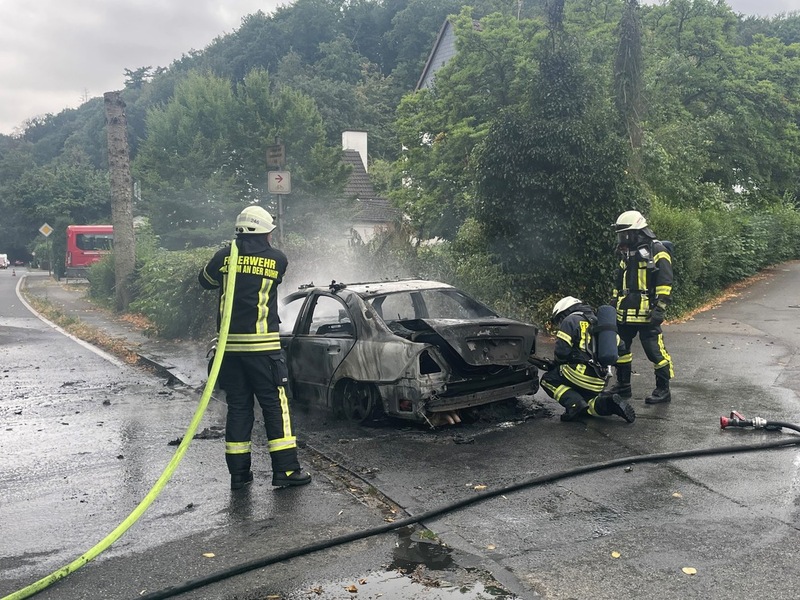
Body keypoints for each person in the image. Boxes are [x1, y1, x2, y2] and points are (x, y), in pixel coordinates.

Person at [199, 205, 311, 490]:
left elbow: (205, 281)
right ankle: (286, 472)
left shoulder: (224, 256)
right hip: (264, 350)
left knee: (238, 408)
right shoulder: (277, 260)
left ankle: (239, 475)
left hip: (230, 351)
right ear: (264, 234)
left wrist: (228, 259)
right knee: (276, 406)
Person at [609, 209, 674, 404]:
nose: (622, 238)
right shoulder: (627, 253)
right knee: (621, 349)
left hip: (647, 314)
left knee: (655, 351)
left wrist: (660, 308)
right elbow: (618, 282)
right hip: (625, 313)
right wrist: (613, 302)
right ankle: (623, 386)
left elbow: (665, 283)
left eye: (625, 234)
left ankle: (663, 390)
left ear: (638, 232)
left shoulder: (658, 251)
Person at [540, 296, 635, 423]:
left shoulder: (570, 320)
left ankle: (574, 404)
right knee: (589, 403)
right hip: (599, 380)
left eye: (559, 319)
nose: (560, 323)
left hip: (578, 374)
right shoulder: (602, 324)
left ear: (564, 312)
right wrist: (624, 382)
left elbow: (561, 352)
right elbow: (623, 350)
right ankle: (608, 404)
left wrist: (557, 366)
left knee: (548, 380)